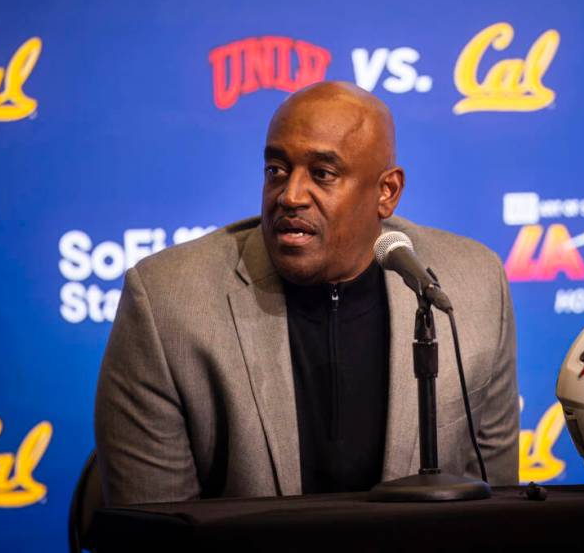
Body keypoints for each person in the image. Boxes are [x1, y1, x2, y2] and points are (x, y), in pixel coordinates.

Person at [94, 81, 519, 505]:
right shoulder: (168, 301)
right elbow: (155, 532)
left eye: (323, 174)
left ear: (386, 192)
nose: (290, 196)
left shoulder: (471, 285)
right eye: (276, 170)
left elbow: (494, 511)